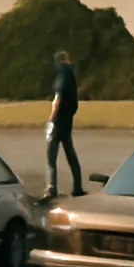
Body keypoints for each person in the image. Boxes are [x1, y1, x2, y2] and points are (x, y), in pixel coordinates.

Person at [41, 50, 84, 202]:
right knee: (70, 155)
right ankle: (77, 186)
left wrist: (51, 120)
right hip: (67, 121)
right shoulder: (72, 75)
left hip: (58, 121)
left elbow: (57, 99)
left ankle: (51, 188)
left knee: (50, 157)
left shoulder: (62, 76)